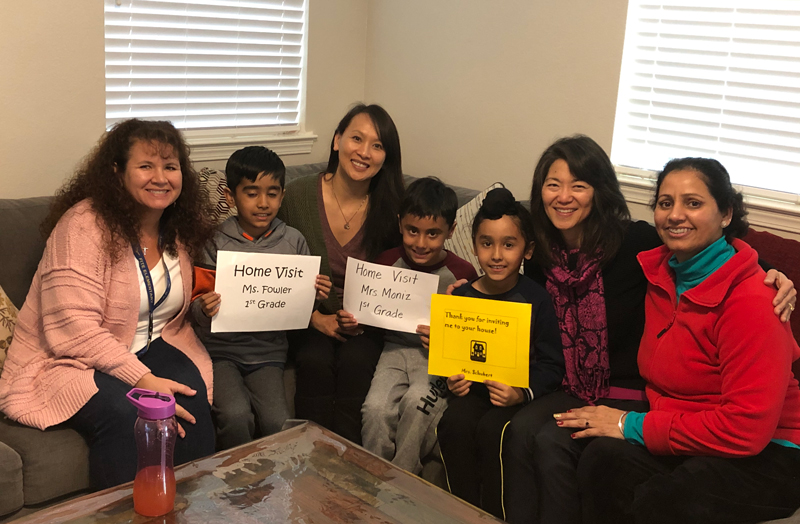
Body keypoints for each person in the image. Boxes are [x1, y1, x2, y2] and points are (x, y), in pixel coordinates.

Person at [500, 136, 797, 524]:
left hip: (766, 452)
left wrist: (628, 423)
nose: (675, 215)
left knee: (666, 500)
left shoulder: (755, 298)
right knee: (601, 459)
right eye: (665, 203)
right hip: (682, 425)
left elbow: (744, 430)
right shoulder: (655, 267)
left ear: (725, 213)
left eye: (693, 203)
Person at [0, 119, 216, 489]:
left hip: (150, 346)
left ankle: (190, 508)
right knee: (130, 414)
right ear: (117, 173)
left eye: (170, 166)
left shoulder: (176, 229)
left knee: (192, 403)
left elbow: (173, 314)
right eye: (146, 166)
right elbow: (74, 329)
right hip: (70, 357)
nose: (160, 177)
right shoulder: (83, 226)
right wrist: (144, 379)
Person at [277, 103, 404, 443]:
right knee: (314, 360)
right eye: (356, 139)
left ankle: (349, 466)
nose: (364, 152)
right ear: (336, 141)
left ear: (386, 157)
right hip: (308, 319)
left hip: (366, 325)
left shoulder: (392, 208)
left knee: (357, 363)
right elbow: (274, 267)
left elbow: (402, 276)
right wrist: (314, 317)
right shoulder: (298, 195)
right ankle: (309, 456)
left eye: (377, 146)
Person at [190, 146, 332, 450]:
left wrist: (315, 297)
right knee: (236, 414)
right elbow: (195, 303)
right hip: (221, 353)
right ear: (231, 197)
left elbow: (298, 307)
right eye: (252, 193)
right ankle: (234, 476)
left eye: (272, 193)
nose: (263, 203)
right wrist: (204, 307)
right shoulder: (214, 242)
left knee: (278, 422)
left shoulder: (293, 241)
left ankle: (272, 483)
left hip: (269, 353)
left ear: (282, 196)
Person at [436, 187, 564, 519]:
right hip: (473, 392)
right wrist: (451, 380)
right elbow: (448, 356)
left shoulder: (536, 298)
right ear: (473, 245)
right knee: (453, 423)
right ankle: (461, 509)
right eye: (486, 243)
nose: (496, 255)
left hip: (513, 395)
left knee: (497, 431)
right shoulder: (462, 296)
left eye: (509, 245)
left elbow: (552, 363)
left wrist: (522, 393)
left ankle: (496, 514)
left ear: (528, 250)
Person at [359, 177, 477, 474]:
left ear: (450, 231)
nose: (421, 243)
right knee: (374, 409)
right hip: (393, 351)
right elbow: (369, 311)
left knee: (416, 404)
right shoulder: (386, 263)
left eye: (433, 234)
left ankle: (402, 480)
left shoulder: (462, 274)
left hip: (437, 360)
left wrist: (447, 336)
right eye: (413, 231)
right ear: (400, 225)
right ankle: (373, 477)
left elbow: (473, 332)